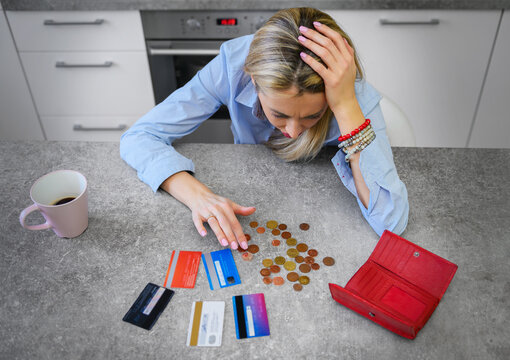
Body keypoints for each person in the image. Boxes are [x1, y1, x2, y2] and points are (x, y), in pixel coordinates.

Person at [120, 7, 409, 251]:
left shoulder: (351, 94)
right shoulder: (231, 66)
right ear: (254, 81)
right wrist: (197, 196)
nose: (294, 132)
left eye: (312, 116)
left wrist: (345, 106)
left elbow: (390, 221)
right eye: (279, 114)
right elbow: (139, 137)